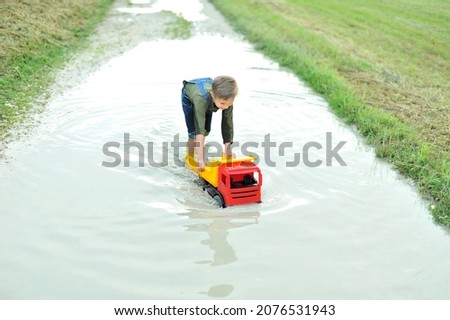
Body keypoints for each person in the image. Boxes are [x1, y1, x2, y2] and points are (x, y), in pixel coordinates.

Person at [181, 76, 238, 171]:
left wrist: (228, 151)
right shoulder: (200, 99)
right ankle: (190, 156)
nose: (226, 107)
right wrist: (200, 160)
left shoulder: (227, 100)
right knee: (194, 133)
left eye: (229, 104)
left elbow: (227, 124)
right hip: (191, 95)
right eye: (223, 103)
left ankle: (199, 151)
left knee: (206, 130)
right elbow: (199, 130)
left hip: (209, 96)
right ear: (213, 95)